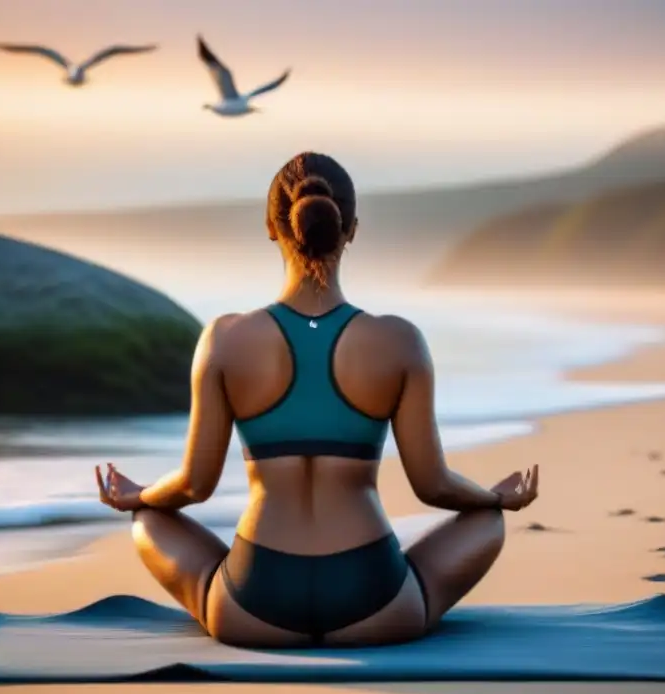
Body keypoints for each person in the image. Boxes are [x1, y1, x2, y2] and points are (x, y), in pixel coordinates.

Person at [94, 151, 539, 648]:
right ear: (351, 230)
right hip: (375, 602)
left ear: (271, 227)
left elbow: (194, 486)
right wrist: (494, 498)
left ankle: (213, 596)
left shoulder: (223, 339)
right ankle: (412, 598)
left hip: (254, 604)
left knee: (150, 520)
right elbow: (433, 487)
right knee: (486, 523)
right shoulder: (399, 341)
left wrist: (141, 496)